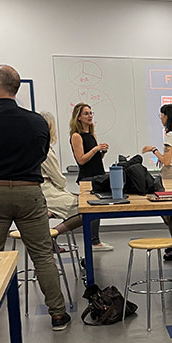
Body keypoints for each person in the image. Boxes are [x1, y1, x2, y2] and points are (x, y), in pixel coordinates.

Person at [0, 64, 71, 330]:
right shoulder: (37, 122)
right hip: (30, 192)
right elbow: (41, 154)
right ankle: (57, 314)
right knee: (43, 255)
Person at [142, 103, 172, 260]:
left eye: (161, 115)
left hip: (171, 176)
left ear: (167, 116)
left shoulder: (170, 136)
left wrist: (154, 150)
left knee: (171, 213)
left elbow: (167, 161)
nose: (161, 118)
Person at [69, 103, 112, 252]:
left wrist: (102, 152)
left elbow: (95, 158)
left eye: (91, 113)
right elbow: (81, 159)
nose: (90, 116)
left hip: (98, 175)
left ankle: (96, 240)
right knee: (91, 211)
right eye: (86, 113)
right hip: (87, 177)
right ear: (78, 117)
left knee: (98, 210)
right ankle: (93, 241)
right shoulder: (76, 136)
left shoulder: (91, 134)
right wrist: (95, 149)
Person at [39, 112, 83, 237]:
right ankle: (51, 235)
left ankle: (50, 232)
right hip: (47, 193)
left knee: (80, 201)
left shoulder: (34, 146)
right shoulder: (45, 149)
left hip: (42, 191)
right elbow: (59, 180)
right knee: (86, 209)